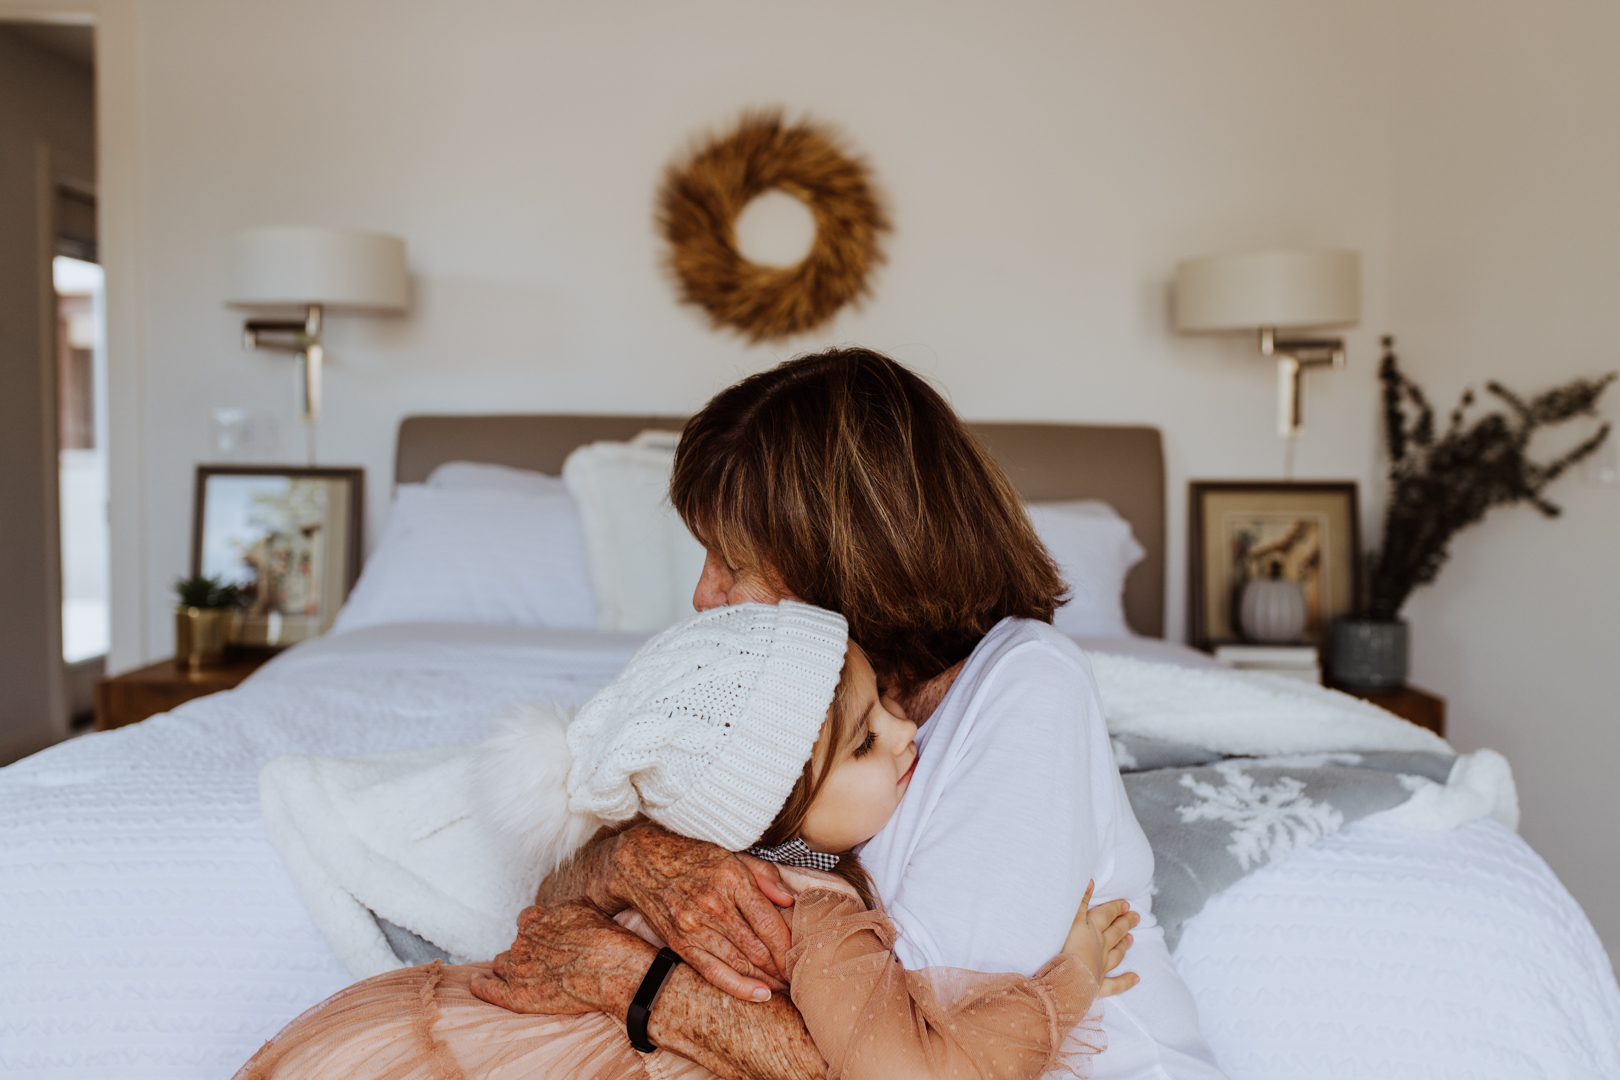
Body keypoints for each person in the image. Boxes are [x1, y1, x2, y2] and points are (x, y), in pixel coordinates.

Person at [488, 348, 1227, 1080]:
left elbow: (916, 1058)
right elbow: (551, 907)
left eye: (731, 561)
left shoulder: (1030, 688)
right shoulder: (780, 713)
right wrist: (631, 860)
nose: (703, 598)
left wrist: (635, 984)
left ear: (839, 561)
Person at [235, 601, 1129, 1080]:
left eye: (889, 710)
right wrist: (1070, 980)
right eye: (866, 739)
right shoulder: (817, 908)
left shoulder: (745, 842)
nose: (909, 738)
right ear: (778, 811)